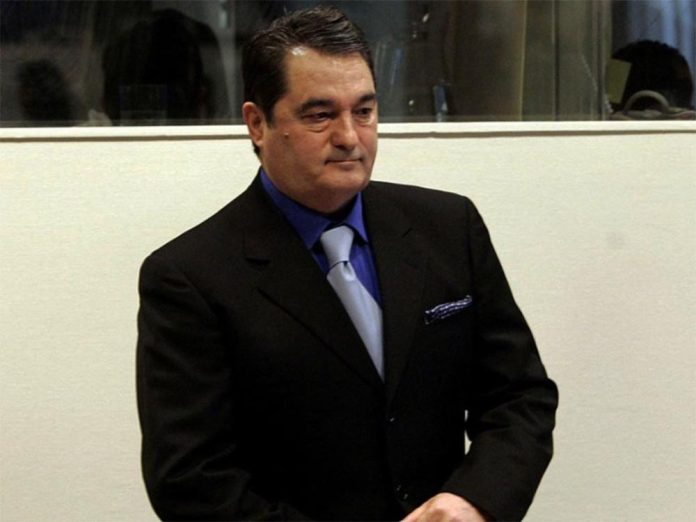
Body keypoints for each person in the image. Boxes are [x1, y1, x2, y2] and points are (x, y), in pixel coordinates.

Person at [136, 6, 558, 521]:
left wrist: (474, 501)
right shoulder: (190, 277)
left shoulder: (448, 227)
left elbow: (519, 397)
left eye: (364, 111)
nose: (350, 137)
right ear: (257, 123)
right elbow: (190, 480)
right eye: (320, 115)